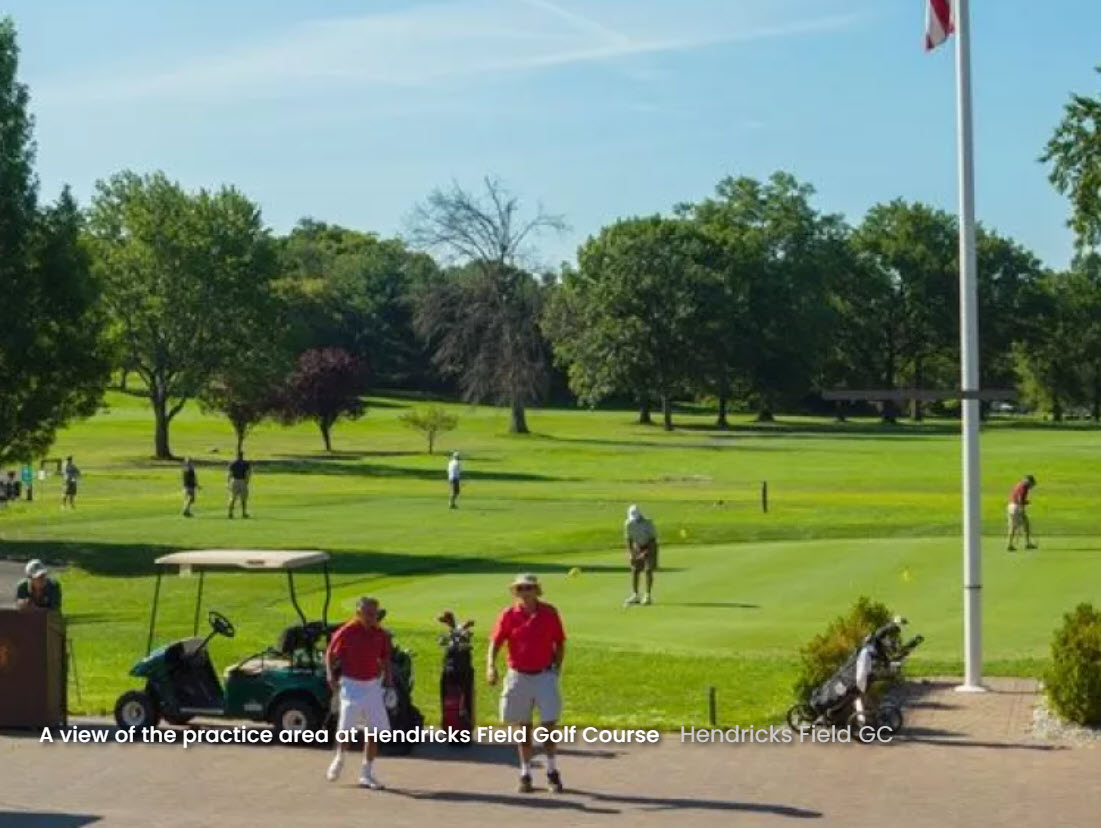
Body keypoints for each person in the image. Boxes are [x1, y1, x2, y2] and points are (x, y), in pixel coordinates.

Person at [487, 573, 567, 794]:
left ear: (536, 590)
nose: (525, 592)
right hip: (518, 675)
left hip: (544, 675)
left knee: (549, 726)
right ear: (515, 592)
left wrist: (556, 669)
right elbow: (496, 641)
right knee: (523, 728)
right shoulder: (508, 614)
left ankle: (552, 771)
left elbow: (559, 643)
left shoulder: (550, 613)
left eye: (529, 588)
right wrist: (491, 666)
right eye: (520, 588)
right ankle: (525, 774)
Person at [325, 596, 394, 789]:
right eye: (368, 614)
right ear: (359, 613)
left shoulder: (381, 634)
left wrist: (389, 683)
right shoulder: (347, 631)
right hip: (351, 685)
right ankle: (339, 758)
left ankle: (366, 773)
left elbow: (385, 659)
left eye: (375, 614)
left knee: (374, 731)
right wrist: (330, 675)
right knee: (346, 727)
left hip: (372, 685)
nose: (373, 617)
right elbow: (330, 652)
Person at [623, 504, 658, 606]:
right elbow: (628, 539)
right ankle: (635, 595)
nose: (634, 519)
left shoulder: (648, 523)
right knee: (634, 570)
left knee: (648, 570)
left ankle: (647, 596)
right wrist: (631, 553)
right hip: (637, 546)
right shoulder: (628, 524)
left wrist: (644, 553)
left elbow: (653, 540)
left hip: (650, 545)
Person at [1006, 474, 1037, 551]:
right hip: (1016, 507)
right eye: (1031, 484)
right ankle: (1012, 544)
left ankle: (1013, 544)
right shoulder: (1024, 487)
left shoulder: (1019, 484)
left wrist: (1025, 502)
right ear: (1029, 481)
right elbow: (1020, 498)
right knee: (1017, 526)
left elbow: (1017, 497)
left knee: (1021, 525)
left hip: (1011, 506)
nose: (1031, 486)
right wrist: (1021, 508)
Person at [226, 451, 251, 519]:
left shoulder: (233, 463)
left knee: (232, 498)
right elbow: (247, 473)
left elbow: (230, 474)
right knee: (243, 499)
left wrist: (228, 482)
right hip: (242, 481)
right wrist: (247, 481)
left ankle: (230, 513)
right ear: (242, 456)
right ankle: (244, 513)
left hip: (234, 481)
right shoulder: (246, 464)